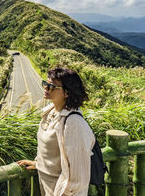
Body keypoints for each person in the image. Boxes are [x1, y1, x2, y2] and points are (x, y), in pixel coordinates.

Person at [17, 67, 95, 196]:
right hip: (47, 185)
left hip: (63, 191)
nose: (46, 88)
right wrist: (39, 163)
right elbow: (52, 150)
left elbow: (79, 174)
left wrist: (64, 193)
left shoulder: (74, 123)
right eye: (45, 84)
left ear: (66, 93)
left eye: (52, 87)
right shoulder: (51, 111)